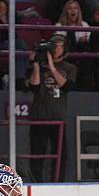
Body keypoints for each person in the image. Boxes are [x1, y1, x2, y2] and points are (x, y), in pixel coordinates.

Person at [28, 34, 77, 182]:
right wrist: (36, 65)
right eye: (53, 44)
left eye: (59, 45)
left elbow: (67, 86)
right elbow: (34, 87)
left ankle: (58, 183)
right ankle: (36, 183)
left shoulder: (70, 68)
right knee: (37, 154)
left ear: (65, 48)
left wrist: (51, 66)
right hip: (39, 116)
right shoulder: (40, 66)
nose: (55, 47)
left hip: (58, 118)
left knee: (60, 155)